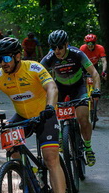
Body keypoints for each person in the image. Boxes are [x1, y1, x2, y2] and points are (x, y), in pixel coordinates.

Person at [0, 37, 68, 193]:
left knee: (50, 158)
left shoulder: (34, 68)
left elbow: (52, 87)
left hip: (45, 115)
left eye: (6, 58)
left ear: (17, 56)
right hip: (23, 116)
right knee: (7, 138)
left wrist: (50, 107)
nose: (2, 63)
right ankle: (27, 173)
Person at [41, 30, 101, 167]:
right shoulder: (50, 57)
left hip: (78, 87)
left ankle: (88, 148)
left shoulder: (77, 54)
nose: (57, 50)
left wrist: (96, 90)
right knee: (50, 110)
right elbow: (36, 74)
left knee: (83, 118)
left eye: (60, 47)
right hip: (60, 88)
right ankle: (60, 135)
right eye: (53, 47)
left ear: (66, 44)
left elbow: (94, 73)